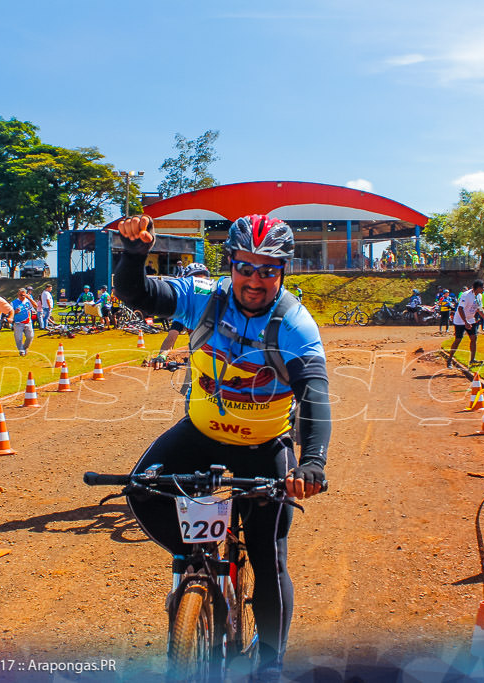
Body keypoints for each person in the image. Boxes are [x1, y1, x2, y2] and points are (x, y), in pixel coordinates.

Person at [114, 214, 329, 678]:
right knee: (140, 490)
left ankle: (271, 662)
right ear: (230, 264)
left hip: (263, 444)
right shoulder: (204, 300)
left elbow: (315, 397)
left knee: (269, 556)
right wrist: (134, 254)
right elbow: (136, 294)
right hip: (200, 433)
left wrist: (311, 462)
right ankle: (198, 561)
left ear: (283, 271)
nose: (255, 280)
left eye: (268, 270)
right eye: (246, 268)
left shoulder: (294, 324)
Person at [151, 262, 210, 368]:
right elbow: (172, 336)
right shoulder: (187, 308)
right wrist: (162, 356)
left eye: (202, 279)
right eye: (195, 279)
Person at [447, 279, 484, 368]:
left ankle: (472, 359)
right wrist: (465, 322)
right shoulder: (466, 295)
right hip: (460, 320)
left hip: (470, 319)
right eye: (483, 287)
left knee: (473, 338)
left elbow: (479, 309)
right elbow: (460, 309)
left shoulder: (479, 296)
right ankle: (449, 359)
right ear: (478, 287)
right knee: (458, 339)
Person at [11, 288, 35, 356]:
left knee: (30, 336)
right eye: (21, 295)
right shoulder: (13, 303)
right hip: (18, 323)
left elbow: (36, 306)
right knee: (18, 338)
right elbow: (10, 313)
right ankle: (21, 351)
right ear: (18, 295)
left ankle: (24, 348)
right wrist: (15, 312)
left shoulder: (28, 301)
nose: (22, 297)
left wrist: (29, 298)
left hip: (28, 322)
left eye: (24, 295)